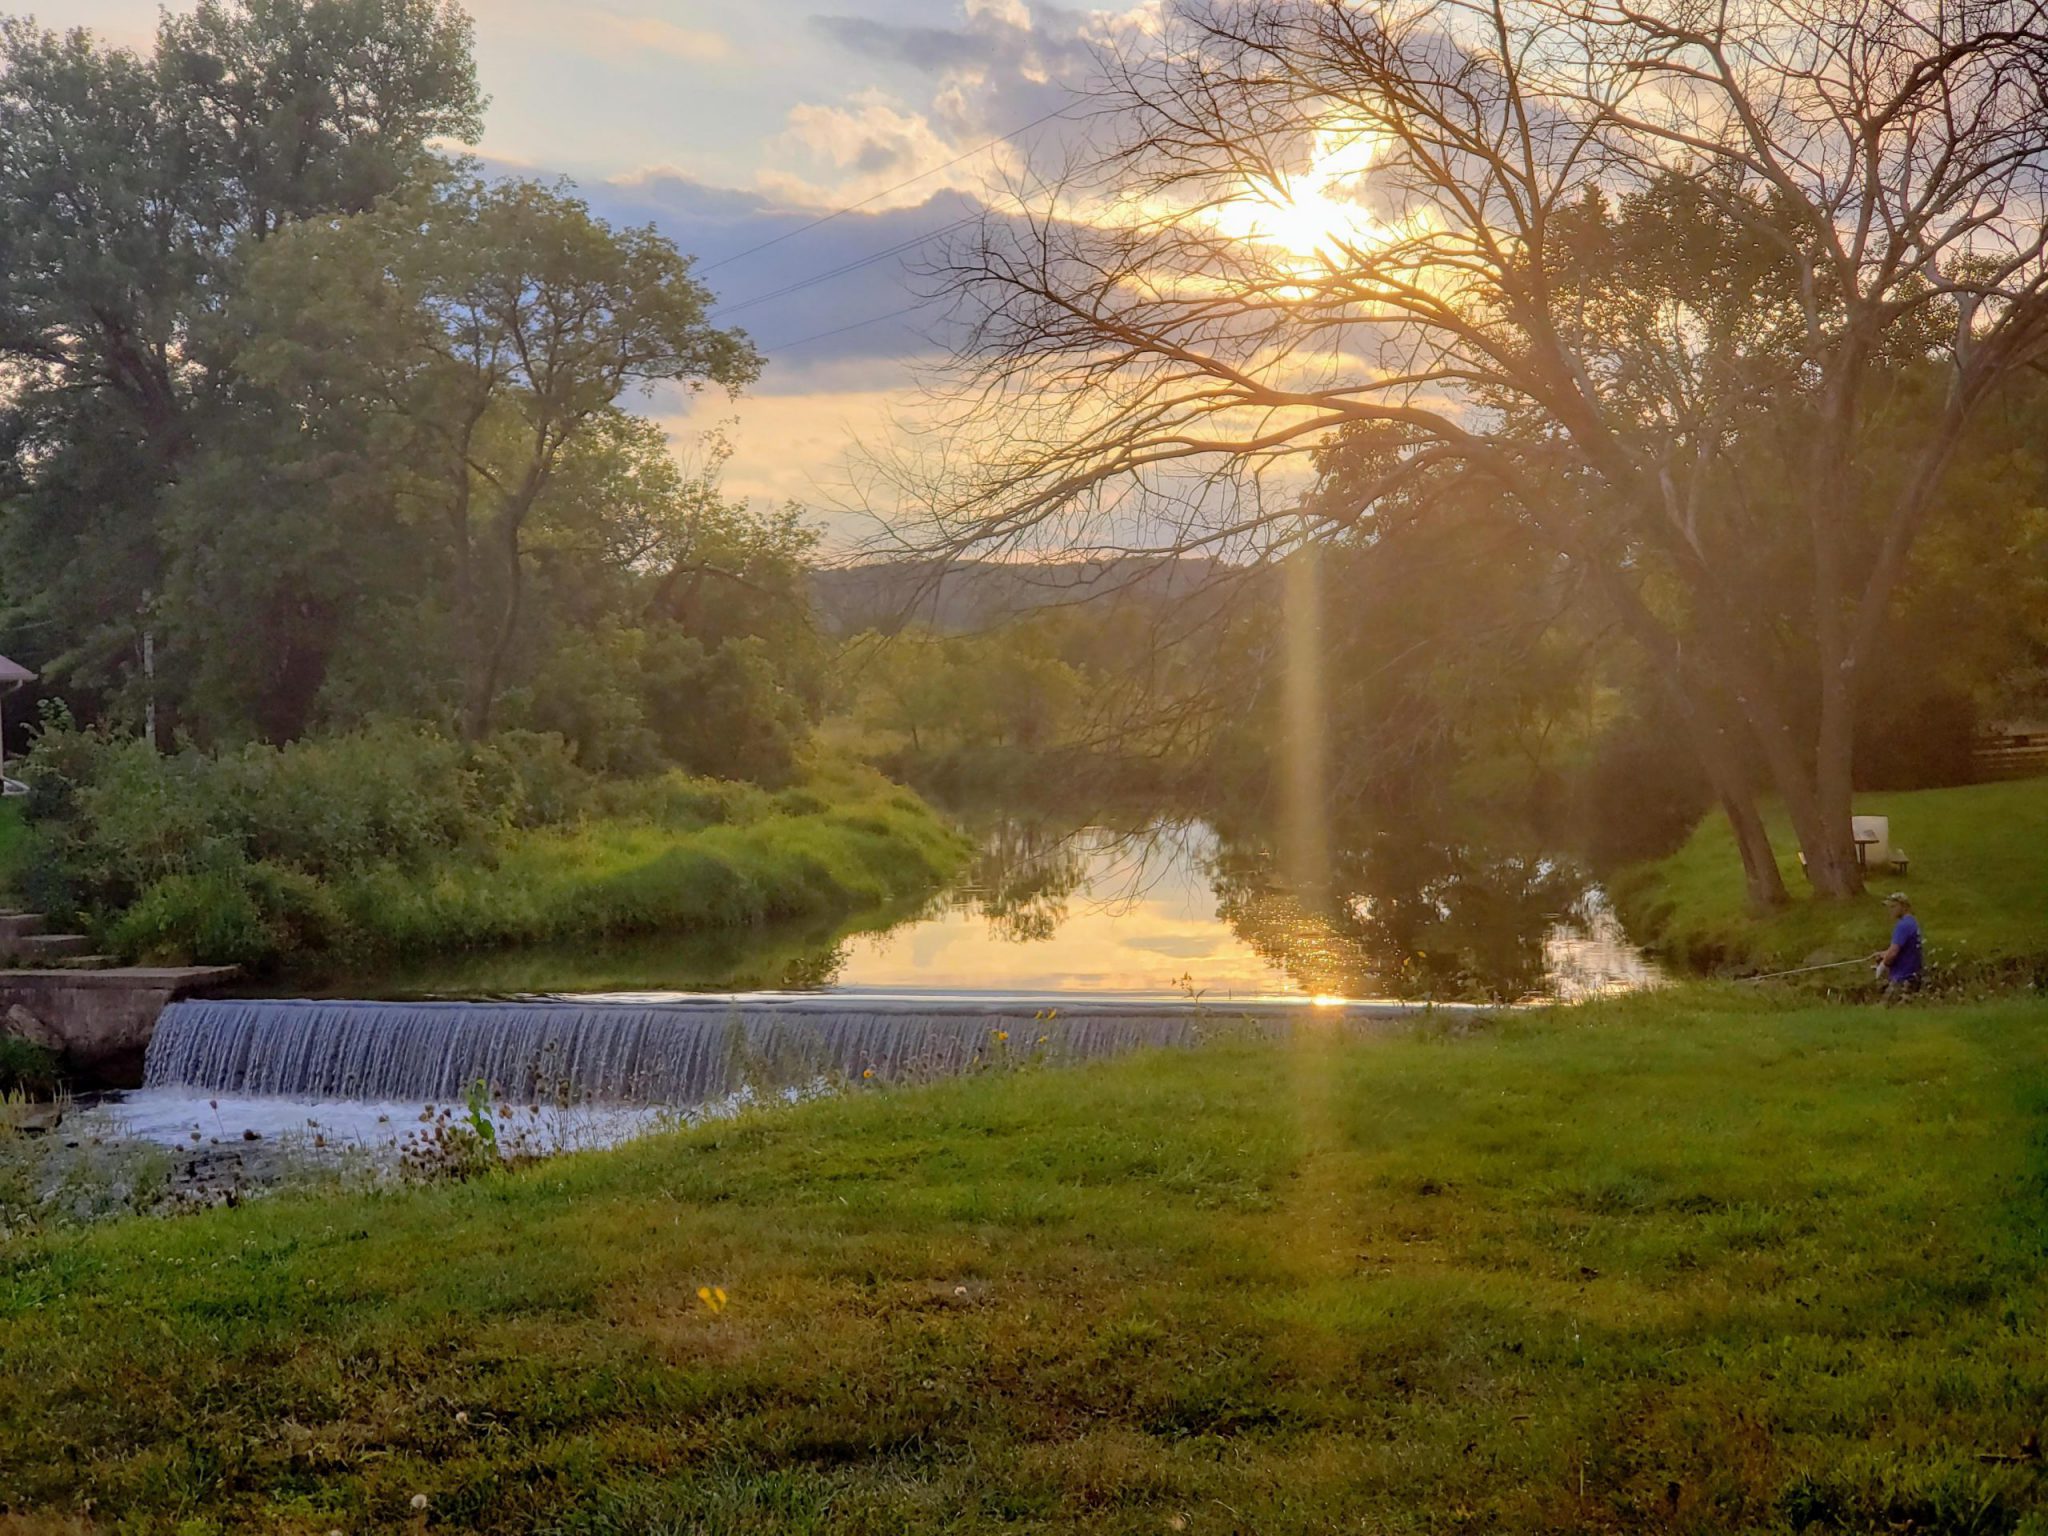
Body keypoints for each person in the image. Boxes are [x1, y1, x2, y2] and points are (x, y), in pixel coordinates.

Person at [1870, 892, 1923, 995]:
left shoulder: (1902, 926)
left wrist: (1882, 967)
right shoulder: (1912, 922)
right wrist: (1883, 953)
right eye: (1889, 907)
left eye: (1893, 906)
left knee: (1882, 1009)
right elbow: (1904, 949)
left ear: (1903, 906)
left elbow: (1893, 952)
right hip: (1913, 977)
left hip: (1902, 978)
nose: (1890, 910)